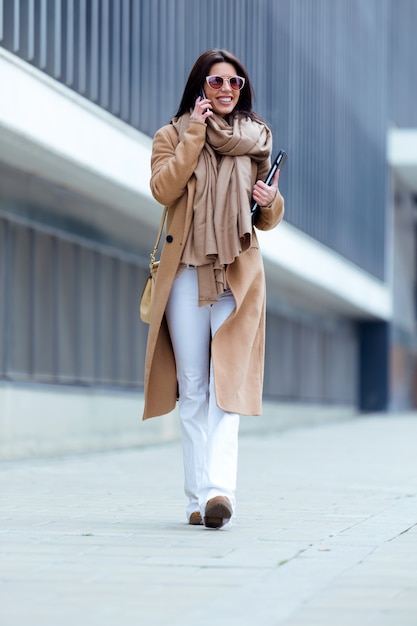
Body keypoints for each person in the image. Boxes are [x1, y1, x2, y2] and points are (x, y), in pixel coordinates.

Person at [142, 49, 284, 529]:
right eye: (216, 81)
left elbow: (265, 217)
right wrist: (194, 135)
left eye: (235, 83)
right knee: (195, 388)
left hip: (236, 278)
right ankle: (196, 498)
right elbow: (164, 188)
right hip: (184, 275)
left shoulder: (255, 141)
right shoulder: (172, 134)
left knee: (227, 387)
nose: (226, 90)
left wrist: (271, 201)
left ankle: (219, 491)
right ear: (200, 86)